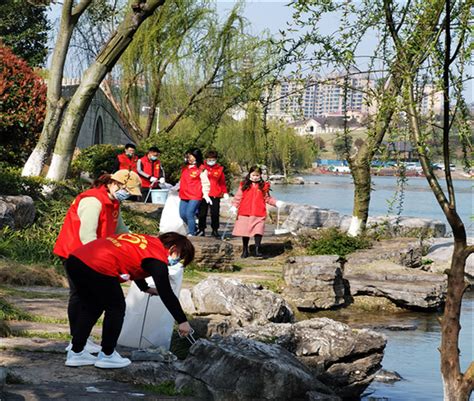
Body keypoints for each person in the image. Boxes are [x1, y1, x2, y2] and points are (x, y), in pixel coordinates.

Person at [64, 232, 194, 368]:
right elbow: (166, 293)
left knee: (93, 306)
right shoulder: (157, 257)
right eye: (180, 257)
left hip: (76, 260)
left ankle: (76, 352)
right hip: (98, 265)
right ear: (173, 249)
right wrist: (182, 321)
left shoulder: (147, 242)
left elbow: (132, 262)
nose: (176, 262)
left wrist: (144, 287)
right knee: (116, 308)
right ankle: (107, 355)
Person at [53, 170, 142, 353]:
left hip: (94, 254)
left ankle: (81, 339)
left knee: (90, 298)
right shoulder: (93, 201)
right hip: (76, 253)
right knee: (80, 295)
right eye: (128, 191)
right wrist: (103, 262)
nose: (128, 196)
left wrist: (139, 245)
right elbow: (87, 236)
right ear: (115, 184)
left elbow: (121, 229)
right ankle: (75, 341)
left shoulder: (113, 201)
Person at [230, 166, 284, 258]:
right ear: (250, 174)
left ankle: (257, 248)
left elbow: (267, 198)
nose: (255, 177)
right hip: (245, 212)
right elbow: (238, 197)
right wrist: (234, 206)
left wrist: (276, 203)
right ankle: (245, 250)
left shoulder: (263, 186)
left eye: (257, 175)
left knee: (258, 231)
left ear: (260, 176)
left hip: (258, 212)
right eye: (253, 175)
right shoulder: (244, 185)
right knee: (245, 232)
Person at [178, 148, 211, 236]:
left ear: (196, 156)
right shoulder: (185, 168)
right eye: (188, 155)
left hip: (195, 195)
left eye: (191, 155)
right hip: (184, 194)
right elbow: (182, 180)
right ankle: (194, 228)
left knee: (189, 213)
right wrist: (175, 187)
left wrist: (206, 194)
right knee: (182, 214)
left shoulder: (201, 169)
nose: (189, 157)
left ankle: (191, 233)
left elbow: (205, 183)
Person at [196, 150, 229, 238]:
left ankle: (215, 230)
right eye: (209, 159)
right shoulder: (201, 167)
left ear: (216, 159)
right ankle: (201, 229)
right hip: (203, 193)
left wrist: (225, 192)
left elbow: (222, 182)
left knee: (215, 213)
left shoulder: (219, 169)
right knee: (202, 213)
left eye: (213, 159)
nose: (211, 161)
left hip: (215, 194)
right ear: (206, 159)